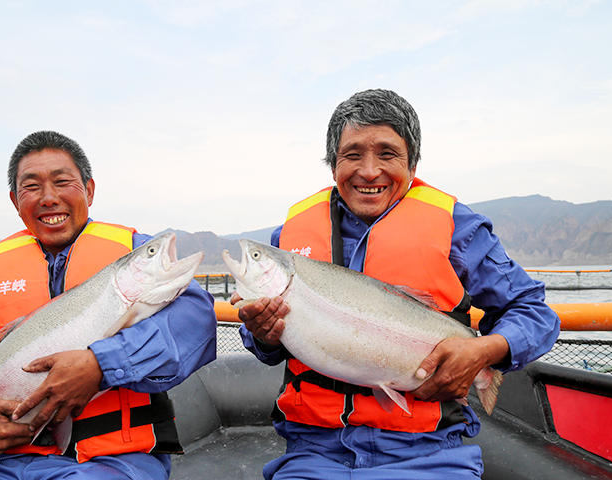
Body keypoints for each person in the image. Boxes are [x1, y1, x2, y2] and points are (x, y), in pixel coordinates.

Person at [234, 89, 560, 479]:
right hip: (312, 451)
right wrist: (263, 334)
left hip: (428, 452)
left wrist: (486, 351)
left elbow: (533, 312)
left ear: (413, 162)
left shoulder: (459, 227)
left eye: (387, 154)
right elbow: (266, 347)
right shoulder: (287, 238)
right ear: (332, 163)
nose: (369, 171)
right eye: (352, 154)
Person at [0, 131, 217, 479]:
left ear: (89, 190)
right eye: (31, 187)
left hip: (108, 462)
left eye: (62, 181)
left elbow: (196, 319)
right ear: (16, 201)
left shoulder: (132, 252)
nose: (49, 197)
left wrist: (98, 365)